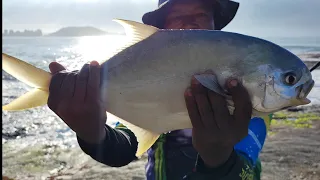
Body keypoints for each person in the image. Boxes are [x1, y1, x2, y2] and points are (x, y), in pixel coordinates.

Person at [48, 0, 271, 179]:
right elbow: (124, 147)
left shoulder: (245, 93)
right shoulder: (146, 78)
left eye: (200, 15)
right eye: (177, 17)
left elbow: (246, 168)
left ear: (216, 26)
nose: (190, 24)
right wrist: (93, 133)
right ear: (162, 31)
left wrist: (219, 160)